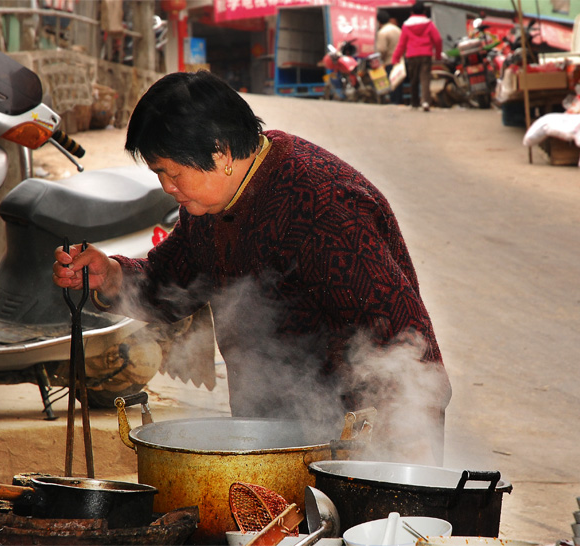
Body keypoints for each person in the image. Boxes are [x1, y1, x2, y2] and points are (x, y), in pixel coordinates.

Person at [52, 70, 451, 464]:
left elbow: (407, 347)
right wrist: (111, 276)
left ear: (222, 152)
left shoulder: (323, 205)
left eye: (173, 172)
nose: (167, 187)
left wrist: (408, 472)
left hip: (354, 446)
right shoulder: (211, 204)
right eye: (160, 174)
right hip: (269, 436)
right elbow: (172, 282)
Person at [392, 1, 442, 112]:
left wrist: (396, 57)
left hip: (412, 55)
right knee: (425, 79)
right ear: (424, 11)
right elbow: (438, 39)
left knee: (413, 79)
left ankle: (414, 102)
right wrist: (438, 55)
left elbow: (402, 43)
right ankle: (425, 101)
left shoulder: (406, 25)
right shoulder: (429, 24)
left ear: (412, 12)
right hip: (426, 54)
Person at [376, 9, 403, 105]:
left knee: (392, 84)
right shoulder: (397, 29)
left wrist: (380, 60)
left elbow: (381, 49)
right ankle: (399, 101)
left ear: (379, 21)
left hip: (389, 61)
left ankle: (394, 102)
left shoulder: (383, 32)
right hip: (400, 61)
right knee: (398, 83)